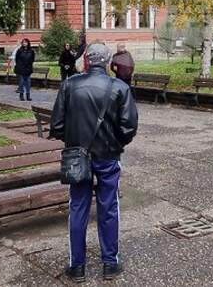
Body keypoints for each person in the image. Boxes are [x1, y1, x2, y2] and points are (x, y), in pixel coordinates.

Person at [49, 43, 138, 283]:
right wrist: (115, 143)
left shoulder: (69, 85)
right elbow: (129, 127)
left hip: (78, 158)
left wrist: (75, 142)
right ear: (108, 62)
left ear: (86, 60)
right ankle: (110, 263)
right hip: (108, 157)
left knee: (78, 208)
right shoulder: (119, 87)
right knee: (109, 207)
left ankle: (77, 266)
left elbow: (56, 125)